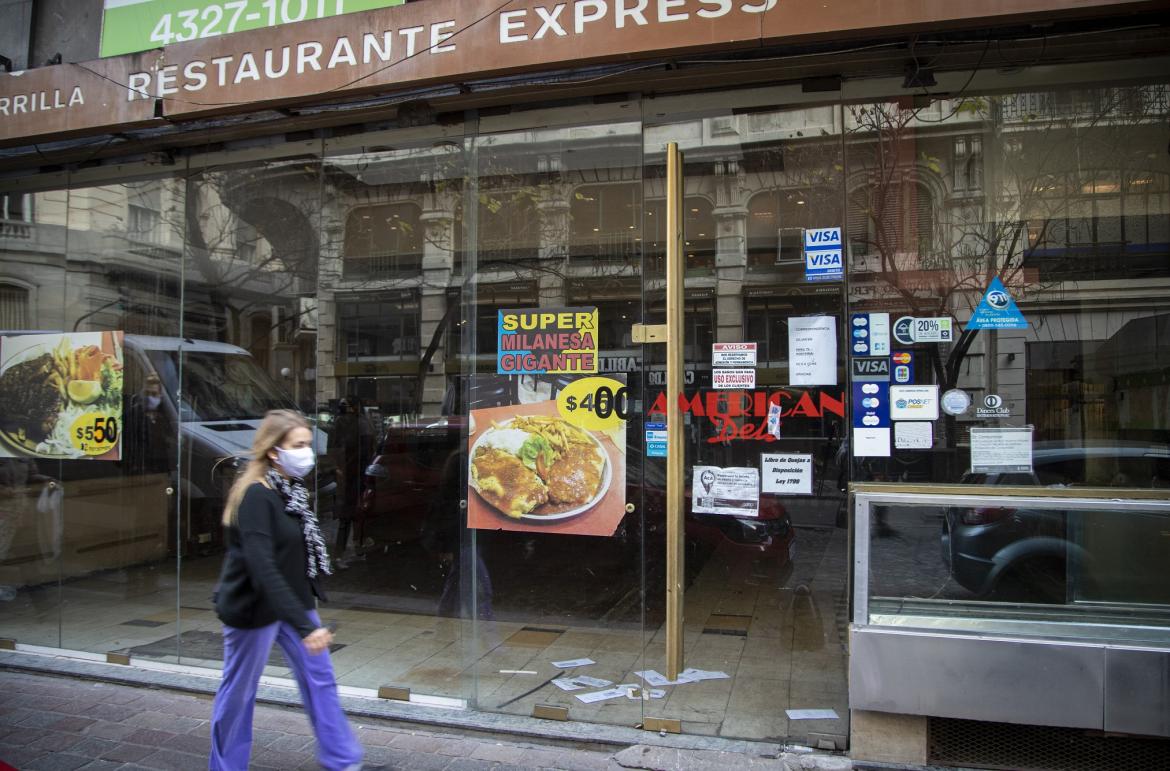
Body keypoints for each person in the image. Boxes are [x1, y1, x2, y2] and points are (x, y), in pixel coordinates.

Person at [209, 409, 364, 771]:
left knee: (320, 679)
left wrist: (305, 613)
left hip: (292, 603)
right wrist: (306, 625)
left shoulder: (288, 490)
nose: (307, 453)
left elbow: (291, 556)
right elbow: (263, 566)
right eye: (299, 445)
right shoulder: (256, 497)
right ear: (274, 451)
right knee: (239, 695)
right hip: (254, 609)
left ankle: (343, 760)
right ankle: (225, 766)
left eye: (308, 444)